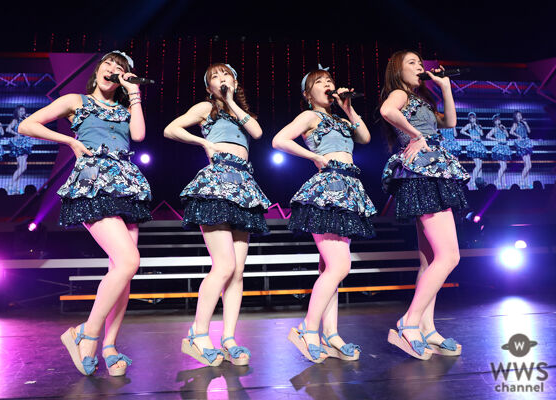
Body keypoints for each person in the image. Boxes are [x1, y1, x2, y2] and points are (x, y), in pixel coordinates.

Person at [19, 50, 152, 376]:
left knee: (123, 272)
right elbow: (27, 125)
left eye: (121, 68)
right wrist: (70, 142)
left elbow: (138, 135)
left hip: (127, 185)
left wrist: (134, 92)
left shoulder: (124, 108)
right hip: (93, 182)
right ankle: (87, 333)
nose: (114, 69)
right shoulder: (75, 100)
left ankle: (109, 346)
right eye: (109, 64)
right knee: (129, 261)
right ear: (98, 70)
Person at [164, 63, 270, 367]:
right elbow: (171, 129)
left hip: (244, 186)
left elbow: (257, 132)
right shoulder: (205, 108)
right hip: (216, 183)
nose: (221, 79)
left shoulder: (240, 112)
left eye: (226, 75)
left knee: (237, 271)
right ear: (208, 87)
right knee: (224, 266)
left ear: (235, 81)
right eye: (215, 76)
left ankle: (229, 338)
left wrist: (232, 102)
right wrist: (203, 142)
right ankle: (198, 333)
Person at [272, 65, 376, 363]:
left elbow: (365, 137)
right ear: (308, 94)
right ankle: (307, 328)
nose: (328, 84)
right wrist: (314, 156)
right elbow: (279, 140)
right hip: (327, 189)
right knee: (339, 266)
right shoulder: (310, 116)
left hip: (349, 190)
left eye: (330, 80)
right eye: (320, 82)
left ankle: (331, 334)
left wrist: (348, 107)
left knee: (331, 269)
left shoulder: (341, 119)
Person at [379, 50, 469, 360]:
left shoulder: (421, 100)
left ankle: (427, 328)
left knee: (431, 260)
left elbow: (450, 122)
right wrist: (416, 135)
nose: (419, 67)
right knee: (450, 255)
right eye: (412, 63)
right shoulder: (399, 94)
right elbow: (387, 110)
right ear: (398, 71)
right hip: (423, 174)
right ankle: (410, 322)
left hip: (430, 173)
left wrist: (445, 87)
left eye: (420, 63)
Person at [6, 105, 33, 194]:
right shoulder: (15, 120)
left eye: (23, 111)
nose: (22, 112)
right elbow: (8, 129)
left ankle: (16, 187)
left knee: (20, 167)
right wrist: (16, 134)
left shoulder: (26, 120)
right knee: (23, 167)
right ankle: (10, 184)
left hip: (25, 143)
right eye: (21, 111)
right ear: (17, 112)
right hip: (18, 144)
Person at [460, 112, 487, 189]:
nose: (472, 119)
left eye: (473, 117)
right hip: (474, 146)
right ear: (469, 119)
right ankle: (472, 181)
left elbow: (482, 134)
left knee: (480, 166)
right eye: (471, 118)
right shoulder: (469, 125)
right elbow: (462, 131)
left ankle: (479, 182)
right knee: (478, 165)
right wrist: (470, 135)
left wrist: (477, 127)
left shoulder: (479, 126)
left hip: (480, 145)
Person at [486, 113, 512, 189]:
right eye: (496, 120)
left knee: (504, 167)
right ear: (494, 122)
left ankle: (503, 183)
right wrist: (496, 139)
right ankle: (497, 180)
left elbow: (507, 136)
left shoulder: (502, 127)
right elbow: (487, 136)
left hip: (505, 147)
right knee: (503, 166)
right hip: (499, 148)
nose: (498, 121)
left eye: (499, 120)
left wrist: (504, 129)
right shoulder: (494, 129)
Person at [510, 110, 533, 189]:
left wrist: (526, 123)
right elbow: (511, 132)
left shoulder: (523, 123)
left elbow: (529, 131)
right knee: (528, 165)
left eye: (520, 115)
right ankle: (521, 180)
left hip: (527, 142)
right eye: (518, 116)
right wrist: (518, 136)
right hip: (521, 144)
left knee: (527, 165)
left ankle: (526, 182)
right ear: (515, 117)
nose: (520, 117)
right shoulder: (515, 124)